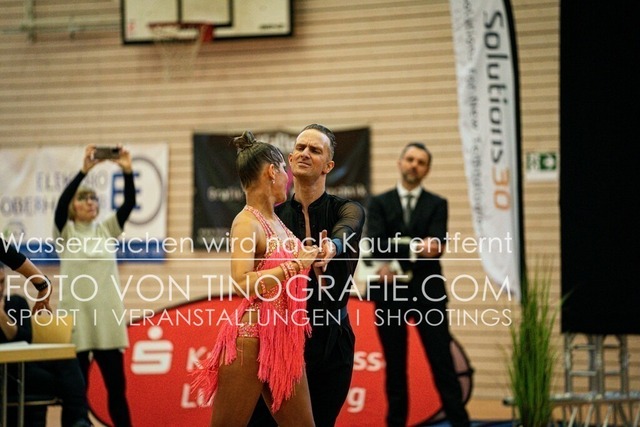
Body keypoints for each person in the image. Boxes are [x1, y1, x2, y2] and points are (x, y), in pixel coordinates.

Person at [194, 131, 320, 427]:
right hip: (251, 339)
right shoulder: (246, 222)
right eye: (285, 170)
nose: (288, 178)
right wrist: (294, 266)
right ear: (272, 172)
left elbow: (295, 273)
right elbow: (241, 280)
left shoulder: (278, 223)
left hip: (285, 341)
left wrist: (315, 260)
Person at [249, 124, 366, 427]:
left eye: (315, 150)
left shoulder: (348, 209)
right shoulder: (271, 218)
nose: (304, 153)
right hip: (280, 337)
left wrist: (332, 246)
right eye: (300, 148)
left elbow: (348, 228)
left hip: (331, 341)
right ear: (290, 159)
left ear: (328, 166)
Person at [366, 142, 470, 427]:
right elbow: (375, 245)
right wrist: (415, 247)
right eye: (410, 159)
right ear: (400, 163)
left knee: (442, 363)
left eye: (421, 162)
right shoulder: (379, 202)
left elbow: (435, 247)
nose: (414, 165)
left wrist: (394, 253)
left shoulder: (438, 204)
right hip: (389, 294)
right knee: (395, 367)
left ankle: (461, 423)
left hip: (428, 293)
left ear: (427, 170)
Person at [53, 144, 135, 427]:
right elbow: (60, 205)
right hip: (77, 322)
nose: (90, 202)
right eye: (83, 198)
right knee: (75, 396)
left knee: (117, 391)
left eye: (94, 198)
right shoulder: (65, 232)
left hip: (106, 322)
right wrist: (84, 171)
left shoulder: (106, 230)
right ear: (73, 207)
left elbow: (127, 205)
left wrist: (127, 172)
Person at [0, 259, 92, 427]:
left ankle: (78, 420)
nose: (0, 288)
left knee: (66, 360)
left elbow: (24, 339)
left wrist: (1, 315)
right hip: (4, 373)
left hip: (21, 368)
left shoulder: (16, 302)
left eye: (2, 282)